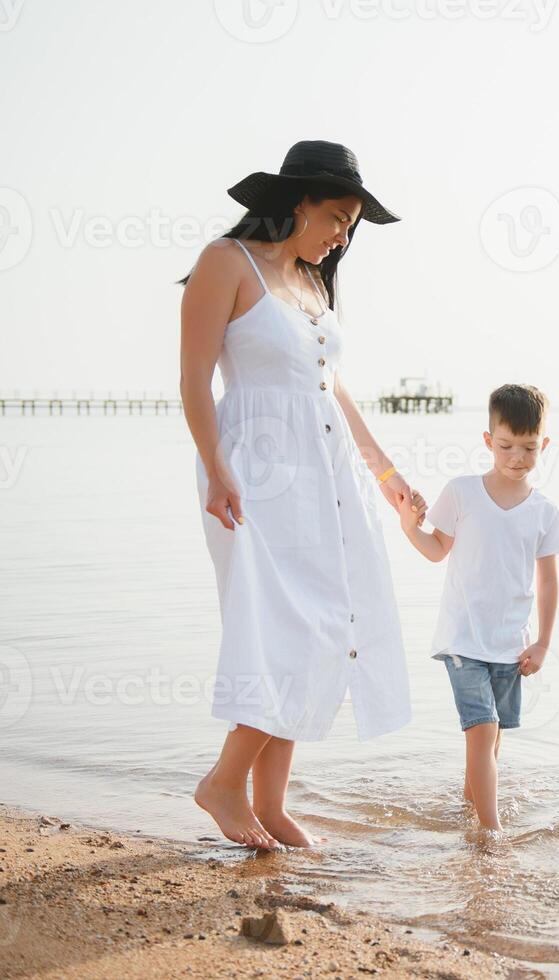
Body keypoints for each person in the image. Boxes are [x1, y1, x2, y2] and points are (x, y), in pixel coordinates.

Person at [177, 140, 424, 850]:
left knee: (328, 628)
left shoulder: (313, 285)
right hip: (253, 474)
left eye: (352, 225)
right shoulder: (227, 263)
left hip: (326, 477)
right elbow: (195, 378)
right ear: (297, 201)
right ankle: (223, 784)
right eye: (339, 217)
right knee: (285, 630)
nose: (343, 235)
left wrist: (385, 473)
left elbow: (332, 388)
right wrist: (215, 468)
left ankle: (271, 803)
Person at [393, 384, 559, 830]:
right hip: (463, 640)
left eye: (529, 448)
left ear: (543, 445)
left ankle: (469, 812)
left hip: (510, 644)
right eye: (506, 446)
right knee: (482, 730)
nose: (517, 457)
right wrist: (410, 525)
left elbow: (547, 582)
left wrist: (543, 643)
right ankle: (490, 835)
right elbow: (436, 550)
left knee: (490, 742)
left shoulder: (544, 512)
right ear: (489, 441)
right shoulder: (463, 493)